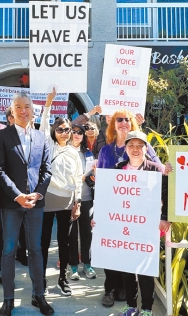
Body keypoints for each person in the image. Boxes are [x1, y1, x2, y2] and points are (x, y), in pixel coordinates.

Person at [96, 108, 168, 307]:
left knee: (140, 264)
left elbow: (160, 173)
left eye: (127, 119)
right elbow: (103, 186)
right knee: (115, 256)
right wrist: (101, 213)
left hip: (142, 218)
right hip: (117, 215)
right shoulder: (106, 150)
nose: (123, 122)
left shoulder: (146, 151)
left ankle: (141, 305)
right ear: (113, 124)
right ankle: (112, 290)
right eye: (119, 119)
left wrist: (168, 170)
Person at [0, 93, 53, 316]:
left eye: (27, 106)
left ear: (33, 110)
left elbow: (47, 169)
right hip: (10, 204)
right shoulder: (2, 136)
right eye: (19, 107)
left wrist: (38, 194)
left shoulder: (41, 137)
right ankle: (8, 299)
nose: (23, 110)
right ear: (12, 111)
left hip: (35, 204)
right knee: (8, 250)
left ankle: (39, 295)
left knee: (35, 249)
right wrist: (17, 195)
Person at [111, 131, 170, 316]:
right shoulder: (118, 168)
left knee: (146, 270)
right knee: (127, 268)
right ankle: (130, 306)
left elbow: (167, 194)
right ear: (126, 148)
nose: (135, 149)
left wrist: (164, 216)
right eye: (131, 146)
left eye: (140, 145)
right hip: (125, 227)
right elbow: (110, 196)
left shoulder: (156, 169)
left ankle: (146, 309)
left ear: (146, 148)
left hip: (148, 226)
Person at [38, 90, 83, 297]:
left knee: (64, 242)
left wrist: (78, 202)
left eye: (67, 129)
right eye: (61, 129)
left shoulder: (74, 152)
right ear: (54, 131)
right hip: (47, 200)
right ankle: (42, 280)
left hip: (67, 201)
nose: (64, 132)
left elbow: (78, 178)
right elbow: (44, 124)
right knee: (44, 242)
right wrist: (48, 103)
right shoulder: (48, 145)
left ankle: (63, 278)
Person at [68, 123, 96, 280]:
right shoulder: (63, 151)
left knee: (87, 233)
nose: (77, 134)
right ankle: (72, 266)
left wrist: (92, 176)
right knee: (71, 234)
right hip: (69, 199)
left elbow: (92, 178)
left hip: (86, 198)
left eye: (80, 132)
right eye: (74, 131)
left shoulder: (88, 153)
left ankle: (87, 263)